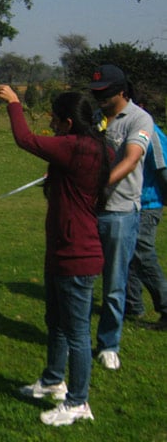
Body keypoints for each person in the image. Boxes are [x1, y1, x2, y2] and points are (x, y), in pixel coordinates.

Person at [0, 85, 112, 426]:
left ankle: (78, 402)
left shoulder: (78, 147)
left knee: (76, 333)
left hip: (78, 254)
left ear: (68, 122)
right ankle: (52, 380)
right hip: (62, 250)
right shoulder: (93, 148)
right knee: (56, 323)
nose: (54, 127)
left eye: (56, 121)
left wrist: (15, 105)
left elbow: (26, 140)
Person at [89, 64, 153, 370]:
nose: (99, 97)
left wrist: (99, 185)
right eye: (96, 92)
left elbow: (130, 159)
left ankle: (109, 344)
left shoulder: (139, 119)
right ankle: (74, 335)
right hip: (89, 211)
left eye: (105, 93)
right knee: (82, 278)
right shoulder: (95, 117)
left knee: (114, 284)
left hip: (120, 212)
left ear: (122, 91)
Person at [125, 123, 167, 329]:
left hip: (149, 203)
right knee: (129, 254)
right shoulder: (125, 128)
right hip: (131, 201)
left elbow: (163, 167)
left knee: (142, 252)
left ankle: (165, 307)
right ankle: (133, 305)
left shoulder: (152, 132)